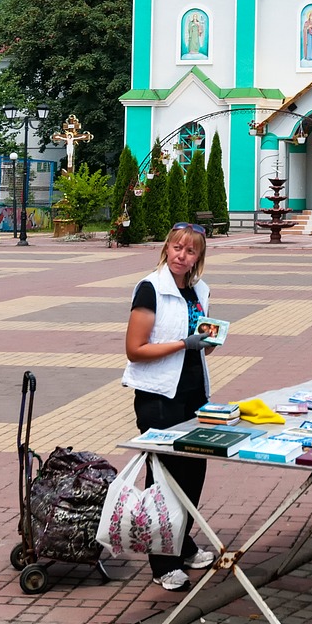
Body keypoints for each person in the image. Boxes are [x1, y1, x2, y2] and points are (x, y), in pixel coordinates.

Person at [123, 223, 217, 592]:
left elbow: (198, 342)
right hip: (158, 396)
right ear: (167, 249)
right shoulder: (151, 289)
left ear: (199, 257)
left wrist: (208, 342)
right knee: (164, 478)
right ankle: (163, 563)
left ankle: (182, 541)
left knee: (194, 472)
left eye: (190, 251)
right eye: (177, 248)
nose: (182, 255)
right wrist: (184, 343)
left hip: (194, 393)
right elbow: (135, 349)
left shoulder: (198, 290)